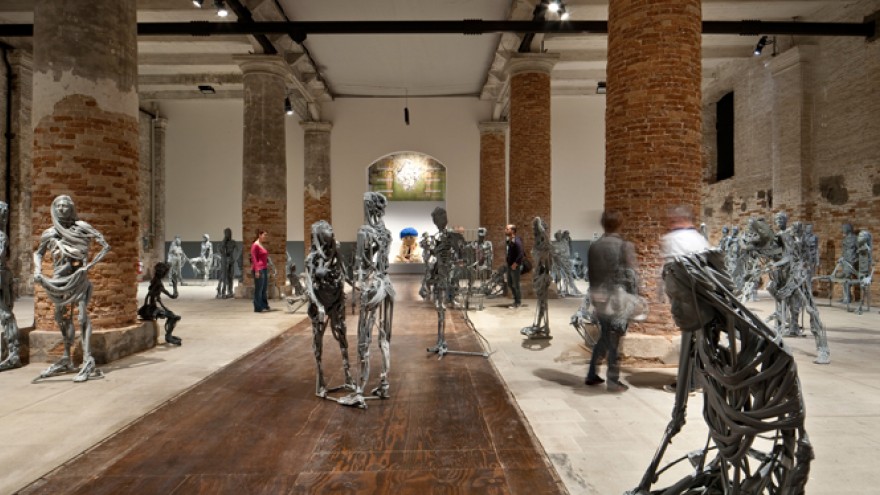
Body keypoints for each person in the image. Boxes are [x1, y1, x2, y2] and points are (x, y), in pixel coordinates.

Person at [33, 195, 110, 382]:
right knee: (61, 317)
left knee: (82, 317)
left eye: (65, 206)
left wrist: (89, 266)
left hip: (79, 278)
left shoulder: (81, 228)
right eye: (58, 206)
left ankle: (87, 359)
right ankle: (67, 357)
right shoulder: (50, 233)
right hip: (59, 280)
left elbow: (105, 246)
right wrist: (38, 270)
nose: (61, 209)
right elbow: (38, 253)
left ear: (71, 208)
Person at [585, 210, 638, 392]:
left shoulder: (594, 246)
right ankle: (613, 381)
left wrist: (594, 295)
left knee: (606, 335)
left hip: (599, 297)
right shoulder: (624, 246)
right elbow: (631, 274)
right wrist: (635, 297)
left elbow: (591, 274)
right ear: (620, 224)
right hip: (617, 298)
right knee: (614, 338)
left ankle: (592, 374)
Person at [660, 205, 710, 393]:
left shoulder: (672, 240)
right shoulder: (700, 240)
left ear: (679, 220)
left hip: (686, 300)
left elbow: (670, 273)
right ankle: (698, 379)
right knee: (700, 341)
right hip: (705, 301)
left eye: (672, 220)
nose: (669, 223)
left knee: (689, 342)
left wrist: (664, 294)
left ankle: (687, 384)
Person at [138, 262, 182, 345]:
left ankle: (169, 335)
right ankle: (168, 336)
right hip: (152, 309)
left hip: (151, 306)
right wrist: (175, 286)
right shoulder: (158, 283)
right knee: (174, 317)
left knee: (171, 315)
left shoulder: (154, 280)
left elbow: (152, 295)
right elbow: (173, 296)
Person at [505, 224, 524, 308]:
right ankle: (515, 299)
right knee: (509, 283)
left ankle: (518, 302)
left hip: (514, 266)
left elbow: (521, 253)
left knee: (516, 285)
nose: (505, 230)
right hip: (510, 266)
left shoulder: (517, 240)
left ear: (512, 231)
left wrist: (515, 264)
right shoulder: (511, 240)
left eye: (507, 229)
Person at [251, 229, 270, 312]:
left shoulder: (261, 244)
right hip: (259, 269)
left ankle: (264, 305)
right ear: (259, 235)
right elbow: (254, 258)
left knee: (264, 288)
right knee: (259, 289)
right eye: (264, 235)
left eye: (266, 235)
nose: (265, 237)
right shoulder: (255, 245)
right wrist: (257, 270)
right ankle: (257, 306)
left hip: (264, 268)